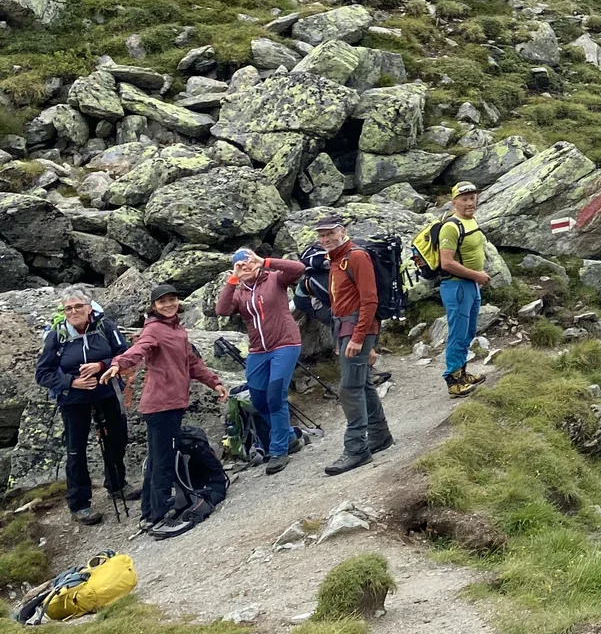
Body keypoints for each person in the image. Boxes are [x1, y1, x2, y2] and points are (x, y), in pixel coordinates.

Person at [105, 284, 228, 528]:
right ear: (154, 306)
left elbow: (192, 363)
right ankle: (158, 516)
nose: (168, 305)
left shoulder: (178, 330)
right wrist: (118, 364)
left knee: (156, 460)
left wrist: (215, 383)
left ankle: (149, 513)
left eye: (172, 300)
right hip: (161, 406)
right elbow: (138, 350)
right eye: (162, 302)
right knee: (163, 462)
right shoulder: (154, 330)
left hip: (170, 405)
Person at [34, 288, 132, 526]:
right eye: (69, 308)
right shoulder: (57, 336)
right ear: (64, 312)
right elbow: (42, 373)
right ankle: (79, 503)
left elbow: (126, 354)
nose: (74, 311)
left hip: (107, 391)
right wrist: (72, 382)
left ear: (90, 308)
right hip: (73, 399)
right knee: (76, 450)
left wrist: (101, 365)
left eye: (79, 306)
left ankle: (117, 484)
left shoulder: (106, 327)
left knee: (117, 438)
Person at [214, 248, 306, 474]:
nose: (246, 267)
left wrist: (264, 262)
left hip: (285, 344)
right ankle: (290, 436)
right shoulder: (240, 292)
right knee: (258, 399)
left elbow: (299, 269)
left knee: (275, 396)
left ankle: (278, 450)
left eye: (248, 263)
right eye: (240, 265)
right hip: (258, 350)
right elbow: (221, 309)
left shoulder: (274, 278)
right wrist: (233, 279)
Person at [316, 215, 392, 475]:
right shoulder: (337, 258)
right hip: (346, 328)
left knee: (349, 388)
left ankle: (356, 448)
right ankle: (380, 435)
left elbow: (370, 300)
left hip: (357, 328)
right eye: (321, 235)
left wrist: (359, 338)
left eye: (330, 234)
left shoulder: (356, 257)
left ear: (342, 231)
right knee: (362, 383)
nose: (325, 239)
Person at [435, 181, 491, 398]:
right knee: (458, 334)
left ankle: (463, 373)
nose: (469, 203)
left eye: (472, 198)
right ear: (454, 202)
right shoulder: (451, 226)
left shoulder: (470, 221)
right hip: (456, 286)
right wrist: (476, 275)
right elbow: (446, 262)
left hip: (470, 285)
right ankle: (453, 381)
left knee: (468, 332)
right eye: (464, 199)